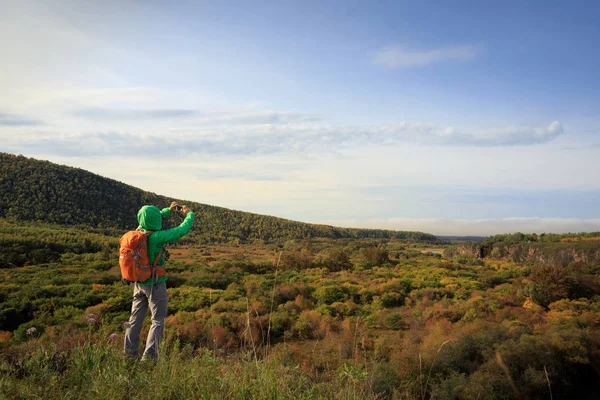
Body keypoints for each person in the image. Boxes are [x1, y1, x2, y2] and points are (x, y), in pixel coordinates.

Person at [124, 201, 194, 360]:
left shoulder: (137, 233)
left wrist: (167, 211)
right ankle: (149, 359)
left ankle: (129, 356)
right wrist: (189, 214)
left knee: (134, 321)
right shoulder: (157, 237)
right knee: (157, 321)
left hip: (139, 283)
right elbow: (181, 230)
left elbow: (149, 218)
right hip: (155, 284)